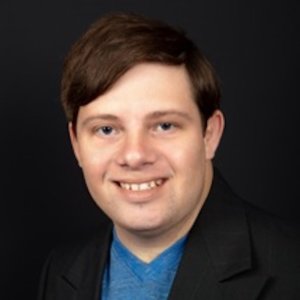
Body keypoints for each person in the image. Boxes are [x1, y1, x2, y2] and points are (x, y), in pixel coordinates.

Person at [38, 12, 300, 300]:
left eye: (164, 125)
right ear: (76, 143)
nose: (135, 155)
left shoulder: (290, 267)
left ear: (210, 134)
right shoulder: (62, 269)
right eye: (107, 129)